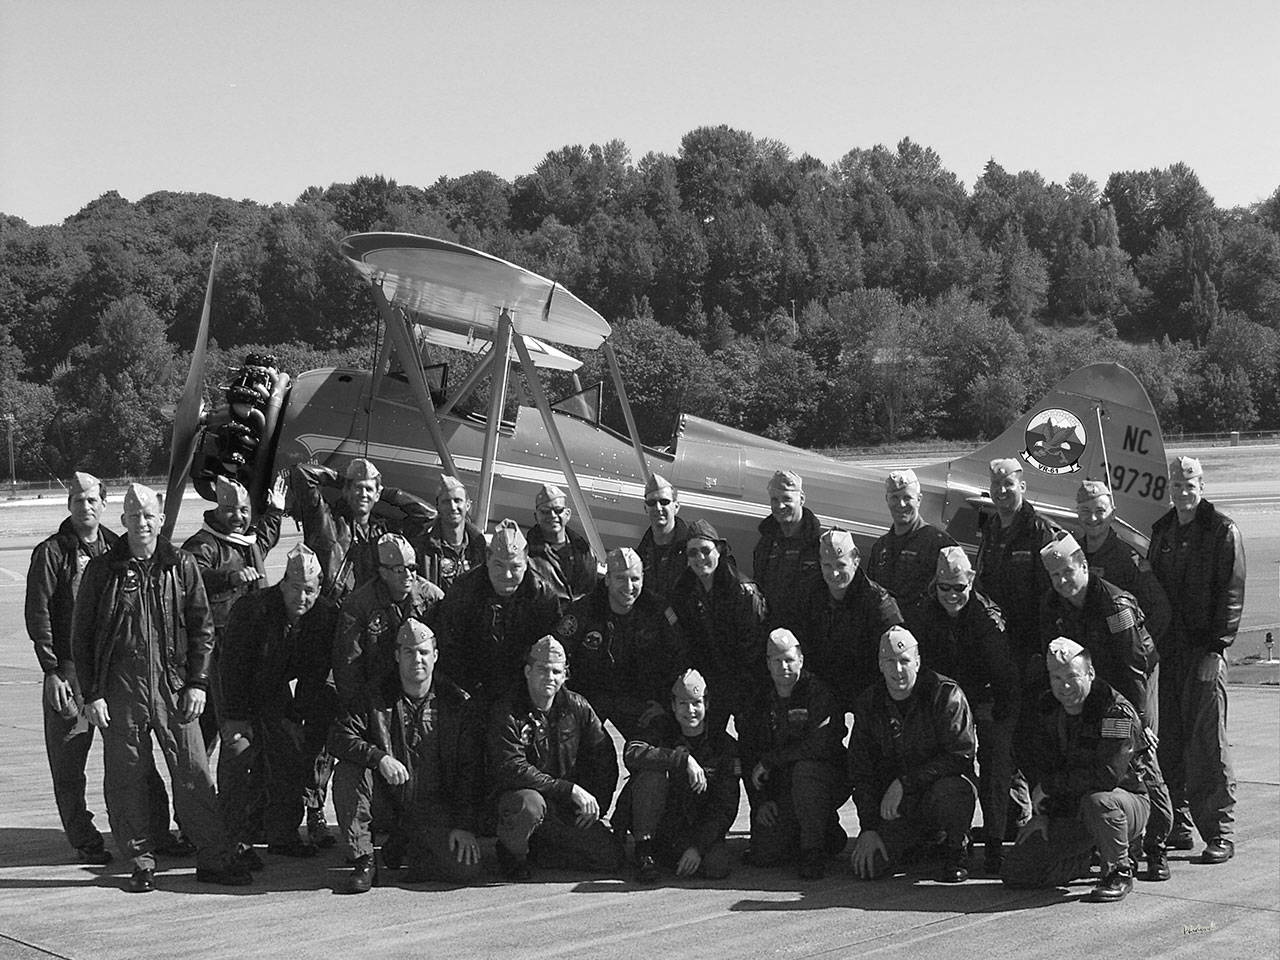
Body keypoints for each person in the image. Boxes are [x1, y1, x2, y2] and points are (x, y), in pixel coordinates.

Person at [71, 483, 250, 893]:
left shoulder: (181, 566)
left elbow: (202, 628)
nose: (142, 523)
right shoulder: (103, 570)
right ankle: (140, 861)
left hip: (173, 687)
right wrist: (92, 693)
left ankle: (213, 857)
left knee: (194, 772)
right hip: (121, 690)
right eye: (134, 516)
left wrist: (198, 682)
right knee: (126, 778)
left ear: (161, 519)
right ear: (123, 520)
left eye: (149, 515)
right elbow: (82, 637)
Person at [25, 473, 173, 864]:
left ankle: (157, 831)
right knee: (69, 762)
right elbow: (39, 614)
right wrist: (52, 670)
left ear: (105, 505)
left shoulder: (116, 549)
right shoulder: (52, 553)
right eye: (77, 500)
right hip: (69, 673)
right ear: (69, 505)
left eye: (92, 500)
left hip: (112, 673)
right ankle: (84, 837)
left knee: (135, 758)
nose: (85, 506)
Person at [1039, 532, 1173, 881]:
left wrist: (1140, 720)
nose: (1062, 581)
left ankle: (1157, 847)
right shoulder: (1052, 605)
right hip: (1090, 685)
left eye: (1068, 572)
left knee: (1141, 758)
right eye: (1055, 576)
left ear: (1084, 566)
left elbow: (1134, 664)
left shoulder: (1115, 605)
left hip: (1133, 679)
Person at [330, 619, 484, 893]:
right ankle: (364, 860)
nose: (417, 659)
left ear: (435, 656)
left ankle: (408, 844)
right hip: (387, 801)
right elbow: (340, 737)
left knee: (465, 870)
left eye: (423, 652)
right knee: (349, 771)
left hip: (435, 808)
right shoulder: (375, 695)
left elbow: (469, 769)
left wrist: (463, 825)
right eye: (409, 652)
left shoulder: (457, 702)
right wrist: (379, 757)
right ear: (397, 655)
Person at [1148, 456, 1244, 865]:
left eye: (1190, 485)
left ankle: (1219, 831)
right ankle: (1178, 824)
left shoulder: (1221, 531)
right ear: (1169, 489)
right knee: (1169, 743)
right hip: (1168, 654)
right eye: (1177, 485)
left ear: (1202, 487)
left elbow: (1232, 594)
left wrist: (1216, 649)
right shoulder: (1163, 531)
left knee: (1208, 746)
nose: (1184, 492)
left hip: (1203, 654)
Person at [1002, 639, 1151, 902]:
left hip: (1123, 802)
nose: (1065, 686)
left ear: (1090, 673)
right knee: (1017, 871)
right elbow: (1041, 766)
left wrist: (1050, 788)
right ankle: (1087, 858)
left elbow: (1106, 776)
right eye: (1057, 678)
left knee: (1099, 801)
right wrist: (1044, 814)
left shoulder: (1115, 712)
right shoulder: (1047, 709)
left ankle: (1118, 871)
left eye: (1073, 676)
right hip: (1070, 806)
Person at [219, 544, 336, 864]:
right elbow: (232, 667)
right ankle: (233, 839)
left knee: (289, 752)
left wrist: (296, 716)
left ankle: (282, 834)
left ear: (318, 590)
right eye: (295, 588)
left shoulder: (325, 615)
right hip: (239, 686)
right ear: (282, 584)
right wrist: (236, 718)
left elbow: (315, 674)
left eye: (309, 590)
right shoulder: (251, 610)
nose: (301, 597)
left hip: (276, 686)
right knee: (239, 754)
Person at [903, 546, 1017, 873]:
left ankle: (994, 841)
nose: (952, 595)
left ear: (971, 582)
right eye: (944, 588)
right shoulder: (925, 614)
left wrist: (997, 718)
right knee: (950, 759)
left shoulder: (988, 618)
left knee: (995, 762)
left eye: (959, 587)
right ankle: (952, 835)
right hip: (946, 698)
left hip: (988, 695)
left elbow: (1005, 677)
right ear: (935, 585)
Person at [848, 626, 977, 883]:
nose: (898, 670)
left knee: (955, 790)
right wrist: (869, 827)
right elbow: (860, 770)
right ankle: (921, 843)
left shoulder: (945, 694)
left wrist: (905, 782)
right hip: (897, 806)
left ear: (917, 661)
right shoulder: (869, 703)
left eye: (905, 661)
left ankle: (956, 849)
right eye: (890, 662)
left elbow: (961, 755)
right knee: (870, 867)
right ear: (880, 665)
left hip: (935, 790)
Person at [488, 636, 623, 880]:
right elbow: (512, 767)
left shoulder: (578, 707)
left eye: (556, 671)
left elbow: (603, 758)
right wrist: (569, 789)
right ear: (528, 671)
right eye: (542, 669)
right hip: (523, 800)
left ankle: (540, 850)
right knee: (530, 805)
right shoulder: (507, 710)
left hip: (563, 806)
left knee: (609, 857)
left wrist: (595, 805)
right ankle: (511, 854)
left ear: (564, 676)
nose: (549, 677)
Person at [974, 457, 1058, 831]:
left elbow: (1053, 598)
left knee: (1034, 739)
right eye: (996, 485)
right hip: (1000, 653)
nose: (1002, 491)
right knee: (1001, 738)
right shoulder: (992, 531)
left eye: (1009, 484)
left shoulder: (1040, 531)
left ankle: (1046, 818)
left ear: (1022, 486)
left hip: (1032, 653)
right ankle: (1011, 817)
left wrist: (1043, 652)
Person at [181, 474, 286, 754]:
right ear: (217, 509)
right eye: (230, 510)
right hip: (219, 650)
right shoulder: (203, 544)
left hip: (251, 645)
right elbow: (193, 574)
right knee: (222, 722)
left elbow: (264, 538)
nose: (238, 517)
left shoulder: (248, 542)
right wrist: (230, 578)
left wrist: (275, 511)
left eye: (244, 510)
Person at [740, 628, 848, 880]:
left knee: (804, 771)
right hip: (781, 786)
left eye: (789, 660)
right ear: (768, 663)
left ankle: (813, 851)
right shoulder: (760, 700)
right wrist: (761, 801)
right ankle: (825, 832)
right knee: (763, 854)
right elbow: (749, 753)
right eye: (777, 661)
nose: (784, 667)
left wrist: (772, 760)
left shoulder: (818, 693)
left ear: (801, 660)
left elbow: (820, 745)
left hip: (823, 778)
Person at [617, 669, 740, 882]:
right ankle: (645, 851)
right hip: (662, 824)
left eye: (696, 703)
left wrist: (697, 847)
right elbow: (632, 753)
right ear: (673, 706)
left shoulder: (724, 746)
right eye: (683, 704)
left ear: (707, 704)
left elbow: (725, 806)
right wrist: (682, 760)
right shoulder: (661, 730)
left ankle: (675, 856)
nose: (690, 710)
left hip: (698, 826)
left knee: (717, 866)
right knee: (652, 774)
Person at [558, 547, 688, 741]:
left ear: (643, 579)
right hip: (590, 696)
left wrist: (664, 703)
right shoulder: (584, 610)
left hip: (638, 699)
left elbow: (679, 657)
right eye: (620, 578)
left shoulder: (657, 610)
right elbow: (557, 654)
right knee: (570, 742)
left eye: (635, 579)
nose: (628, 587)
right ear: (607, 579)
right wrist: (567, 701)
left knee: (657, 739)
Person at [434, 519, 565, 706]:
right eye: (499, 565)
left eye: (515, 567)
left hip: (522, 688)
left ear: (526, 562)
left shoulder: (542, 596)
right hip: (470, 686)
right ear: (487, 558)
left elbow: (550, 653)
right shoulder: (464, 590)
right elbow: (448, 646)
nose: (507, 575)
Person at [668, 518, 767, 734]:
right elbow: (684, 641)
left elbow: (754, 648)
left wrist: (739, 686)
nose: (700, 558)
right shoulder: (683, 591)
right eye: (693, 553)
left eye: (705, 550)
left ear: (719, 550)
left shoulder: (743, 591)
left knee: (752, 739)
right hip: (708, 682)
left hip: (745, 681)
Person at [290, 458, 434, 602]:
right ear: (347, 491)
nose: (363, 494)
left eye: (369, 489)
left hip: (371, 610)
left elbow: (428, 516)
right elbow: (302, 473)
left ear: (377, 495)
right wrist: (342, 481)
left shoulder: (385, 532)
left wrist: (387, 493)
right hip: (333, 608)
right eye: (358, 488)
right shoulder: (326, 521)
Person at [794, 529, 902, 712]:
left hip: (864, 692)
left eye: (841, 565)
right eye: (827, 565)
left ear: (856, 561)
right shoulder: (809, 593)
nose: (834, 573)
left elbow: (895, 651)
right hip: (821, 688)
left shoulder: (878, 601)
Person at [333, 533, 444, 708]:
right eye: (399, 570)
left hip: (422, 691)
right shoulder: (358, 606)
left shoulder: (432, 598)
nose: (408, 575)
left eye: (412, 568)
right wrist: (360, 709)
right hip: (376, 697)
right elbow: (348, 666)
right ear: (383, 573)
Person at [867, 469, 956, 605]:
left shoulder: (939, 544)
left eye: (907, 498)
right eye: (895, 498)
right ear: (887, 499)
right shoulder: (880, 548)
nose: (901, 504)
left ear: (919, 499)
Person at [753, 471, 824, 628]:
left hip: (808, 632)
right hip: (772, 631)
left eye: (787, 499)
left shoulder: (818, 544)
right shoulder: (765, 543)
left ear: (801, 499)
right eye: (774, 500)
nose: (780, 506)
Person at [525, 482, 599, 602]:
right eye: (545, 511)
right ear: (536, 516)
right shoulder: (526, 555)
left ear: (567, 514)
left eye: (558, 510)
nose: (552, 515)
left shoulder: (587, 553)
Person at [416, 474, 486, 594]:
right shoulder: (423, 548)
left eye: (457, 500)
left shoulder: (481, 548)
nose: (453, 507)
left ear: (468, 505)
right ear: (438, 506)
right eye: (446, 502)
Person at [635, 473, 690, 603]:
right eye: (652, 503)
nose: (658, 508)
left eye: (664, 502)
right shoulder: (640, 556)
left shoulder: (693, 549)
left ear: (676, 507)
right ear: (645, 508)